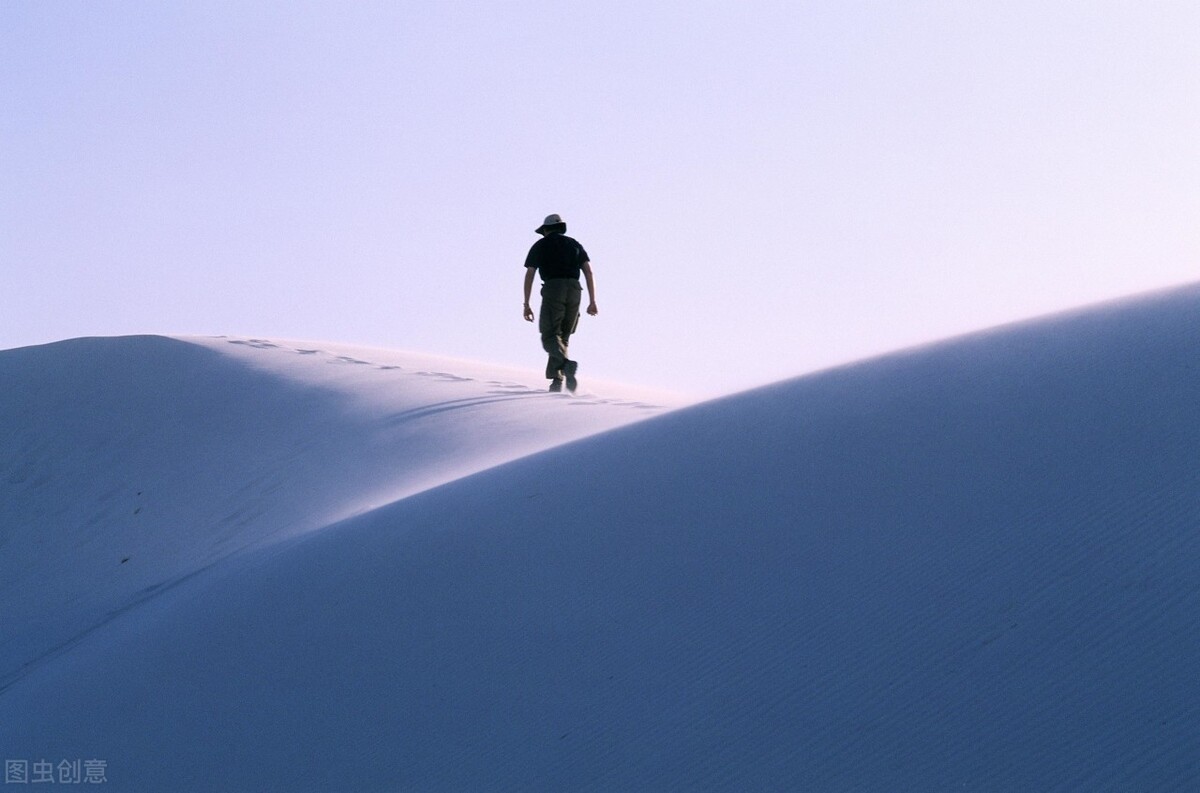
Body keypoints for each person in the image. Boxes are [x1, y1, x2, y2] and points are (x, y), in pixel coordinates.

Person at [522, 213, 598, 392]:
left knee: (550, 335)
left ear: (546, 229)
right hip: (575, 289)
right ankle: (556, 382)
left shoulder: (541, 245)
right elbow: (588, 272)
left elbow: (530, 273)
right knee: (563, 338)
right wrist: (592, 301)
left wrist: (526, 304)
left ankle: (564, 365)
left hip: (553, 287)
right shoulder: (575, 244)